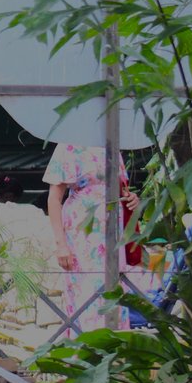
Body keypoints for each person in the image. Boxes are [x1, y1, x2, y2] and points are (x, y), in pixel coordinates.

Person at [44, 143, 140, 336]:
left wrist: (132, 199)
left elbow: (121, 189)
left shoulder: (112, 143)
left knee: (115, 291)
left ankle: (115, 348)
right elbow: (54, 199)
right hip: (83, 233)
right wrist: (61, 244)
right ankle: (89, 348)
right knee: (88, 292)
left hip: (114, 232)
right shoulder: (68, 145)